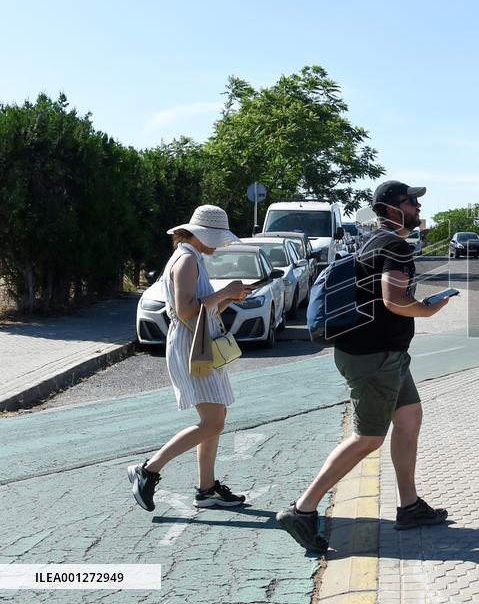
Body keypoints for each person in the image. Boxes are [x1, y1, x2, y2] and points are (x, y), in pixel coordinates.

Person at [277, 181, 451, 552]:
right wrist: (427, 308)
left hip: (382, 354)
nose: (418, 208)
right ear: (390, 209)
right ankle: (302, 510)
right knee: (368, 438)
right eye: (411, 202)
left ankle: (409, 506)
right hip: (375, 358)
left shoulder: (373, 242)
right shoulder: (395, 246)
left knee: (409, 419)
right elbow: (393, 300)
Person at [127, 205, 253, 512]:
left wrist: (229, 297)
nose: (219, 244)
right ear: (200, 235)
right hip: (191, 345)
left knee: (215, 420)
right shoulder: (186, 260)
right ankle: (149, 470)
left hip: (197, 342)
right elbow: (185, 311)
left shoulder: (191, 258)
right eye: (216, 237)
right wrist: (225, 293)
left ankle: (207, 488)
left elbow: (201, 310)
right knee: (212, 421)